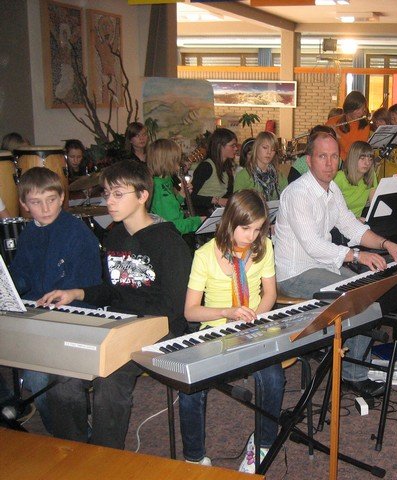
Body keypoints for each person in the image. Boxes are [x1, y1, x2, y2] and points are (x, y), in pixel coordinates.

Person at [39, 160, 192, 449]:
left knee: (109, 380)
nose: (109, 201)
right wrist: (76, 294)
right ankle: (73, 451)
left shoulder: (169, 242)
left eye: (118, 194)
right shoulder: (116, 235)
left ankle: (103, 458)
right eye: (107, 193)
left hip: (160, 328)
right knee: (63, 377)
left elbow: (174, 307)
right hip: (120, 324)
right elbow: (113, 290)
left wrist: (126, 331)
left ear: (143, 195)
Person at [274, 130, 397, 398]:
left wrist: (385, 244)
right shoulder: (297, 193)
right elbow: (313, 245)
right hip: (295, 274)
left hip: (321, 266)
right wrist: (357, 256)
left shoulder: (332, 189)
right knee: (359, 297)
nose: (329, 163)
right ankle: (353, 374)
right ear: (309, 160)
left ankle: (349, 358)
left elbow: (351, 226)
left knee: (368, 288)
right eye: (322, 156)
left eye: (334, 156)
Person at [178, 190, 285, 472]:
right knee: (189, 388)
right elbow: (191, 311)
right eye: (246, 228)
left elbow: (270, 294)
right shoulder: (204, 255)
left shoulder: (264, 246)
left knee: (274, 378)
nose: (252, 236)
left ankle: (261, 444)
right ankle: (194, 458)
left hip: (254, 323)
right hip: (215, 328)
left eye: (258, 229)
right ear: (229, 222)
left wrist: (254, 318)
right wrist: (227, 312)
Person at [8, 167, 102, 434]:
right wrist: (10, 290)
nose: (46, 208)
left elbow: (87, 289)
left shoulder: (77, 233)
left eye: (51, 199)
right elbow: (22, 275)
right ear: (25, 205)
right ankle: (59, 430)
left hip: (72, 316)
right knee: (33, 376)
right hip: (39, 315)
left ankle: (73, 435)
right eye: (36, 202)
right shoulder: (29, 233)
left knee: (42, 379)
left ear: (62, 197)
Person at [147, 138, 203, 235]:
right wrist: (198, 221)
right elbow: (174, 226)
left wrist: (181, 195)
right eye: (176, 160)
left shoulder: (164, 179)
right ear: (167, 161)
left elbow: (168, 208)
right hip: (167, 237)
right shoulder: (159, 189)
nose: (178, 163)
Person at [191, 128, 237, 213]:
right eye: (232, 146)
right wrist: (216, 200)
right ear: (220, 146)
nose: (236, 148)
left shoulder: (227, 167)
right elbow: (191, 197)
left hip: (219, 212)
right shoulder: (206, 167)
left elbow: (228, 194)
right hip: (203, 213)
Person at [234, 131, 287, 201]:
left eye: (273, 149)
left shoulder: (280, 177)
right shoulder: (243, 176)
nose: (269, 152)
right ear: (256, 148)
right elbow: (237, 203)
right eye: (265, 147)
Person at [334, 141, 378, 218]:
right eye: (362, 158)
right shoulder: (339, 178)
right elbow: (330, 211)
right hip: (338, 222)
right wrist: (356, 220)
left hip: (356, 222)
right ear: (353, 159)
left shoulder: (371, 176)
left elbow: (375, 204)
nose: (367, 163)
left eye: (370, 159)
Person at [326, 91, 370, 160]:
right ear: (349, 109)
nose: (361, 112)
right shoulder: (332, 121)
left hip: (351, 162)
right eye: (358, 109)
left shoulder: (364, 127)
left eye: (363, 109)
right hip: (331, 159)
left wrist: (337, 136)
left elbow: (354, 151)